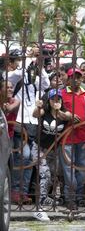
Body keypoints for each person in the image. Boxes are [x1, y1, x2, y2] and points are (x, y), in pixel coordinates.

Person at [7, 49, 50, 204]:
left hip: (32, 123)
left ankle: (23, 192)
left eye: (21, 60)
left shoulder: (33, 79)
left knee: (30, 159)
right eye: (17, 60)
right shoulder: (10, 76)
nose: (20, 63)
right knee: (22, 156)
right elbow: (17, 74)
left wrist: (41, 65)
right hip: (19, 122)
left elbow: (46, 84)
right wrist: (28, 57)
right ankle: (15, 191)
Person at [32, 89, 72, 221]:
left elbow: (71, 117)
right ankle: (39, 208)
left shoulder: (63, 114)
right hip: (39, 148)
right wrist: (38, 107)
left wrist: (58, 111)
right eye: (53, 99)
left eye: (58, 99)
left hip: (54, 151)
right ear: (48, 101)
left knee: (54, 176)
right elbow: (35, 114)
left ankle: (46, 199)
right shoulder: (45, 112)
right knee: (45, 174)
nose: (56, 101)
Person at [60, 68, 85, 209]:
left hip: (83, 137)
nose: (76, 80)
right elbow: (54, 109)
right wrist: (66, 115)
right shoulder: (62, 93)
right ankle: (70, 198)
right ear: (68, 78)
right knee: (68, 169)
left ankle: (77, 197)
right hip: (66, 137)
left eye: (79, 77)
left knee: (82, 170)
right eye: (73, 77)